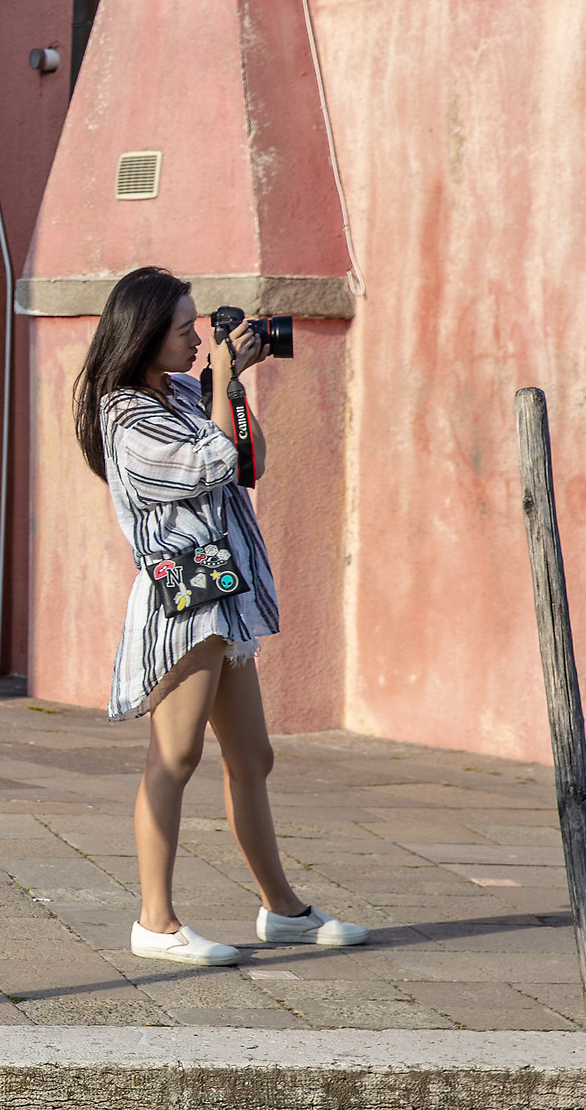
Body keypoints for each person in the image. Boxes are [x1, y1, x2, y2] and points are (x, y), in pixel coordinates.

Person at [73, 266, 367, 966]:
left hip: (223, 593)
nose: (200, 339)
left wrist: (233, 385)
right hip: (183, 598)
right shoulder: (125, 414)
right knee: (174, 756)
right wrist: (225, 381)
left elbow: (248, 457)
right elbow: (210, 462)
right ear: (145, 335)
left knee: (252, 757)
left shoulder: (179, 391)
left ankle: (283, 909)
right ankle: (156, 921)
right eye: (185, 328)